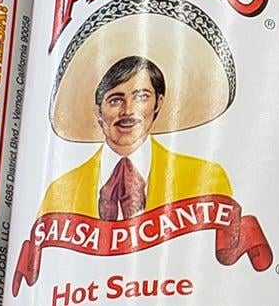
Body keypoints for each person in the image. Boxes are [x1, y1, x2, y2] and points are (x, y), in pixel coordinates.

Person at [39, 57, 232, 219]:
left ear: (158, 103)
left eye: (141, 97)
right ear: (98, 111)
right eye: (115, 100)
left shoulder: (206, 178)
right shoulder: (60, 192)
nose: (128, 111)